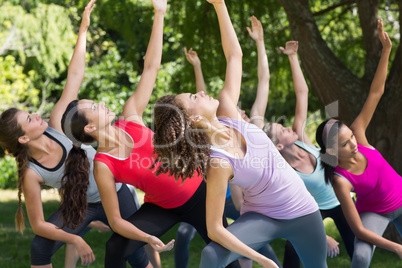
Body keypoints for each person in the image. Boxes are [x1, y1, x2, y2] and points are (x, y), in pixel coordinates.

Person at [60, 1, 240, 268]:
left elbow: (150, 68)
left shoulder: (130, 116)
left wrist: (160, 13)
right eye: (94, 106)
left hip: (199, 194)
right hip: (162, 207)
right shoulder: (103, 166)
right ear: (89, 128)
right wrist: (147, 237)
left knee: (225, 256)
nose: (101, 103)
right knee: (115, 247)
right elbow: (118, 221)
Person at [152, 0, 327, 267]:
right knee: (211, 254)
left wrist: (220, 5)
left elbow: (234, 56)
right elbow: (214, 230)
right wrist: (261, 260)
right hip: (262, 218)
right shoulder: (218, 163)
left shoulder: (229, 113)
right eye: (193, 96)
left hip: (303, 210)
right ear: (195, 118)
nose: (200, 91)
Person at [0, 1, 153, 267]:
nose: (37, 115)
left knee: (136, 255)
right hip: (85, 205)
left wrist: (82, 30)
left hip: (116, 193)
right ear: (23, 138)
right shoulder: (32, 174)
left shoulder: (58, 125)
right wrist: (76, 240)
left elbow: (74, 76)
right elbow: (38, 225)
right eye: (29, 118)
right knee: (40, 249)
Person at [174, 15, 281, 268]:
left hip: (252, 203)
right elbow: (198, 113)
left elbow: (263, 80)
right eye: (235, 113)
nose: (238, 114)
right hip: (230, 201)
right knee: (189, 235)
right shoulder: (219, 133)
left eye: (240, 113)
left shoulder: (253, 127)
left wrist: (260, 42)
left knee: (256, 250)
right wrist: (197, 67)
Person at [315, 19, 402, 268]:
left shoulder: (359, 135)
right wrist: (396, 247)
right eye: (344, 144)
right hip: (376, 213)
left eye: (350, 137)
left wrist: (386, 50)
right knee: (361, 256)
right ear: (332, 152)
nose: (352, 143)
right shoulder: (340, 179)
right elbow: (359, 231)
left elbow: (376, 92)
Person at [263, 40, 355, 267]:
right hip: (315, 210)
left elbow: (302, 93)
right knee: (292, 248)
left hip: (342, 200)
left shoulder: (302, 140)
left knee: (358, 249)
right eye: (281, 130)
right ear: (278, 147)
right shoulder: (286, 173)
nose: (287, 127)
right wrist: (323, 237)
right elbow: (292, 213)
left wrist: (293, 57)